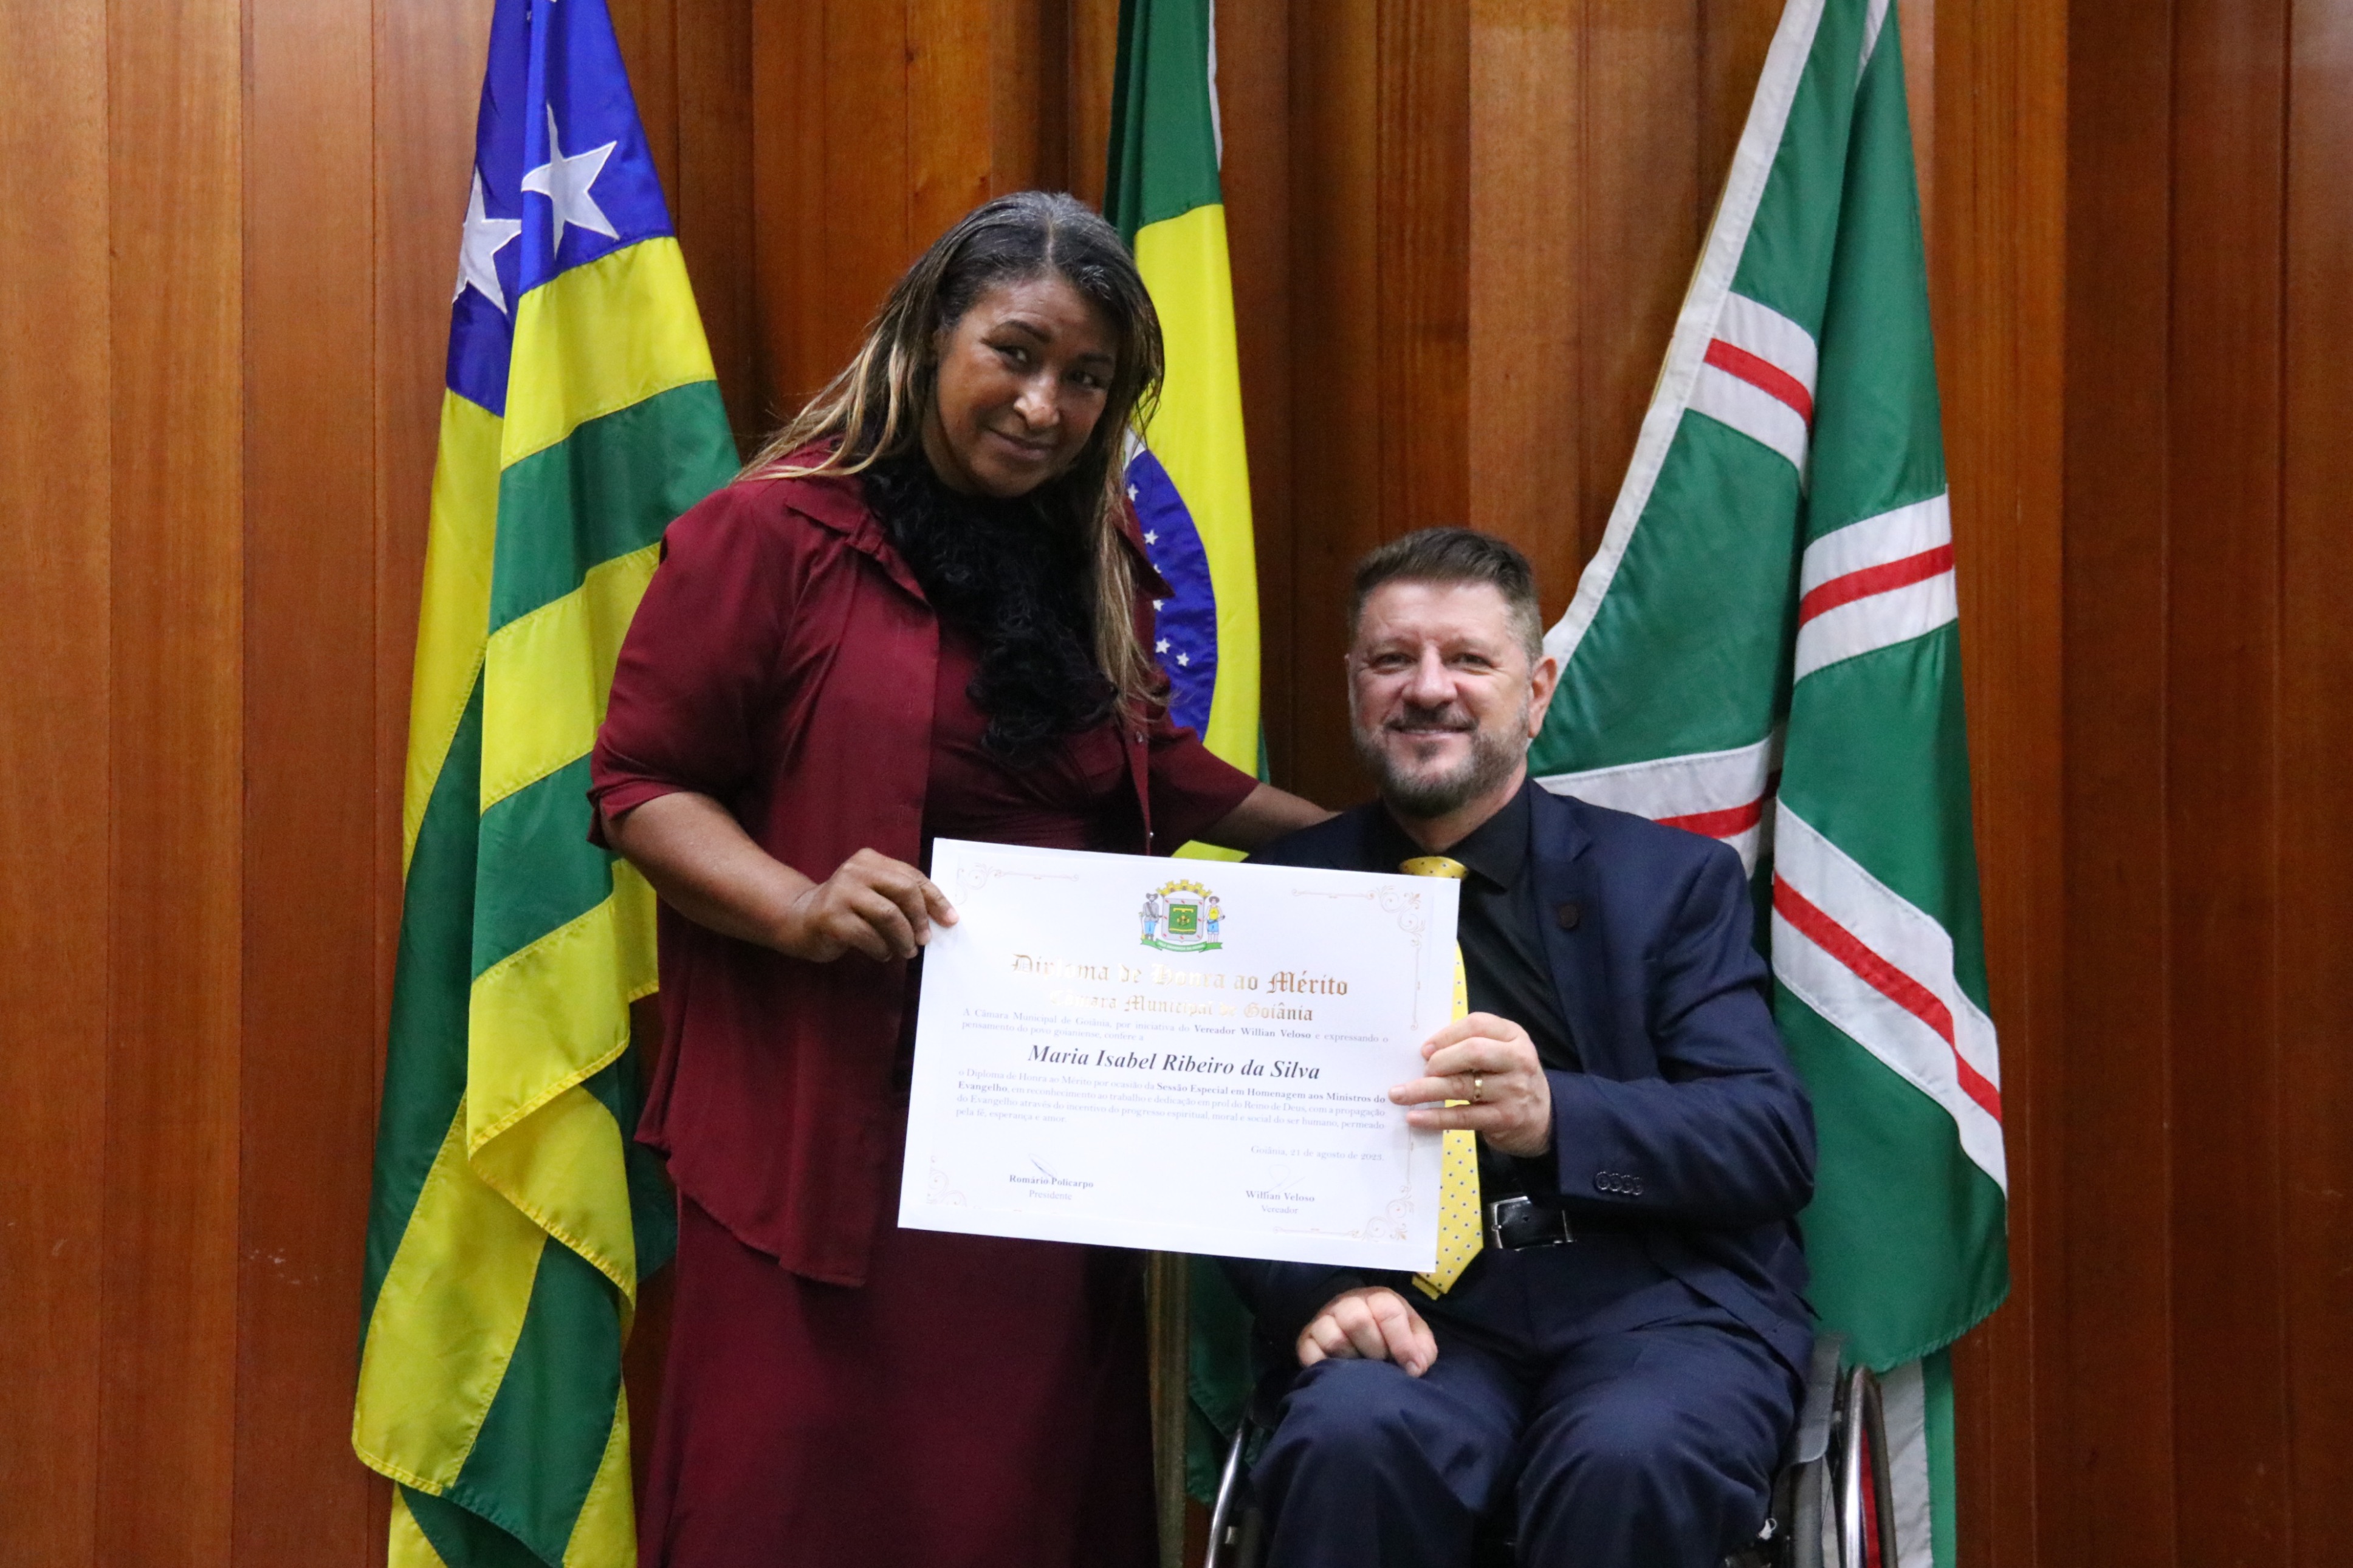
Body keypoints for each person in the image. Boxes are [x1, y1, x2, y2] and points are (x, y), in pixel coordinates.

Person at [589, 191, 1331, 1568]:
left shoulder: (1091, 549)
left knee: (1012, 1505)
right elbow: (641, 786)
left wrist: (1367, 855)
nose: (1046, 406)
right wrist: (797, 906)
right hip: (824, 1126)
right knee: (793, 1507)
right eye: (1016, 352)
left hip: (1039, 1138)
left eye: (1087, 377)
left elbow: (1143, 765)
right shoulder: (773, 533)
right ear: (933, 335)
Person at [1225, 529, 1816, 1568]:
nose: (1428, 688)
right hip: (1412, 1314)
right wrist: (1318, 1288)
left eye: (1468, 658)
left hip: (1655, 1306)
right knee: (1348, 1435)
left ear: (1535, 691)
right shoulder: (1278, 892)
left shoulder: (1669, 882)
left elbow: (1768, 1140)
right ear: (1355, 685)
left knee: (1629, 1455)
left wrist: (1557, 1115)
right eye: (1394, 659)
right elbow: (1220, 1144)